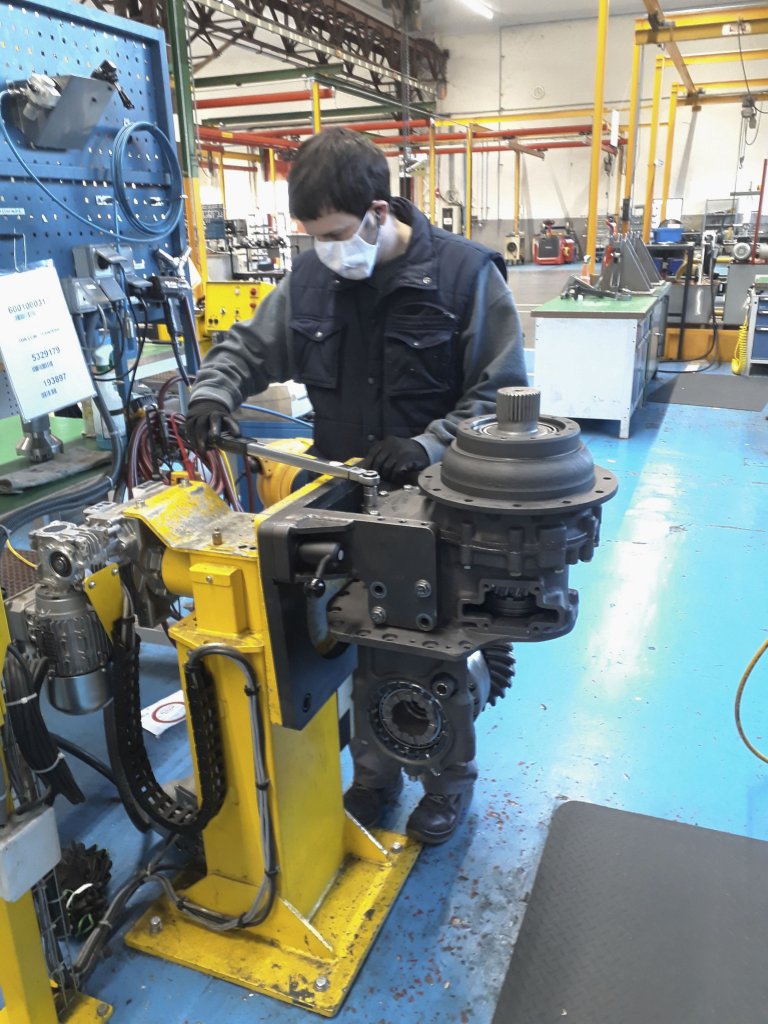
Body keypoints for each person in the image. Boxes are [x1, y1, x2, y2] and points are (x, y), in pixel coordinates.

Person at [186, 127, 527, 844]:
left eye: (337, 232)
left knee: (426, 651)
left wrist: (429, 443)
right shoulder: (312, 278)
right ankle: (373, 777)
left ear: (379, 210)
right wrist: (213, 392)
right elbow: (250, 346)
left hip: (437, 503)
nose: (326, 250)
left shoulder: (466, 278)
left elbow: (500, 398)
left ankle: (447, 781)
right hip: (340, 495)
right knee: (352, 641)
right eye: (312, 236)